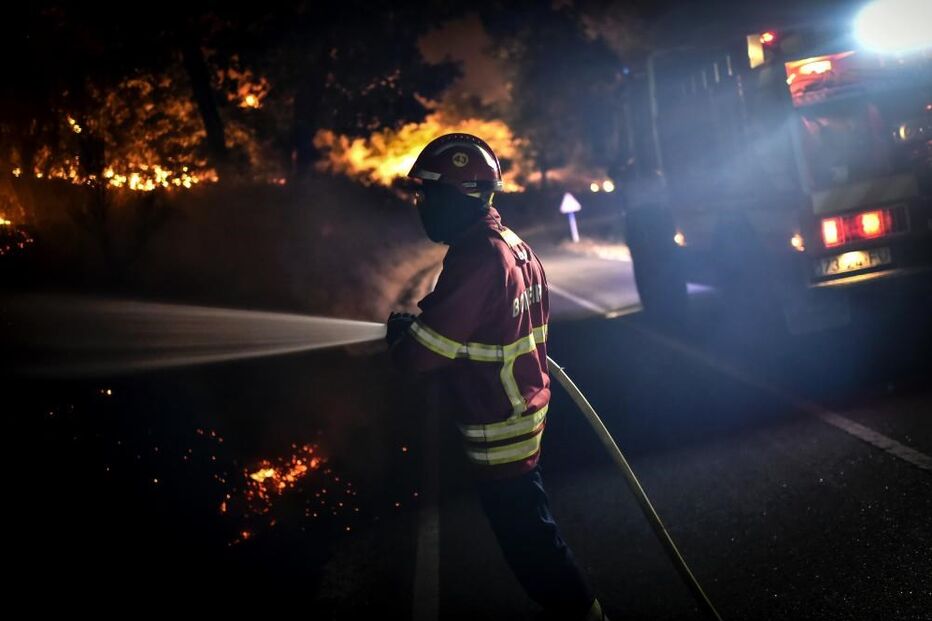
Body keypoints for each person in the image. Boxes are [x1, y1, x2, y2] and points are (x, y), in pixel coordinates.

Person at [386, 133, 606, 620]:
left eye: (428, 194)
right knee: (534, 538)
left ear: (457, 196)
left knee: (534, 549)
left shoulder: (476, 258)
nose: (422, 205)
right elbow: (476, 325)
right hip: (521, 414)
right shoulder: (511, 245)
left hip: (498, 428)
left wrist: (404, 339)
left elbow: (421, 358)